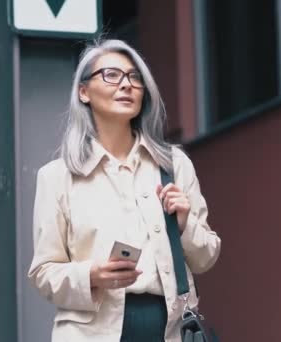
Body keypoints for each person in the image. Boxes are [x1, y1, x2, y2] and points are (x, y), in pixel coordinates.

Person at [28, 39, 221, 342]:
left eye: (134, 78)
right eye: (111, 75)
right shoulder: (57, 177)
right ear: (84, 91)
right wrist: (91, 275)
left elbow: (207, 256)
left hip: (169, 330)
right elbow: (44, 272)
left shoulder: (173, 165)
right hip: (92, 332)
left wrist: (184, 224)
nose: (126, 85)